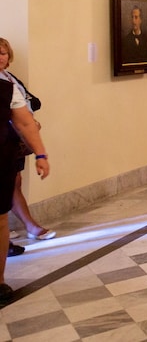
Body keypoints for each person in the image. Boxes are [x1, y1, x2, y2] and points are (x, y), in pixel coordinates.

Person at [1, 41, 53, 304]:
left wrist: (41, 154)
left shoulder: (7, 83)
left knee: (1, 212)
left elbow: (23, 120)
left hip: (3, 152)